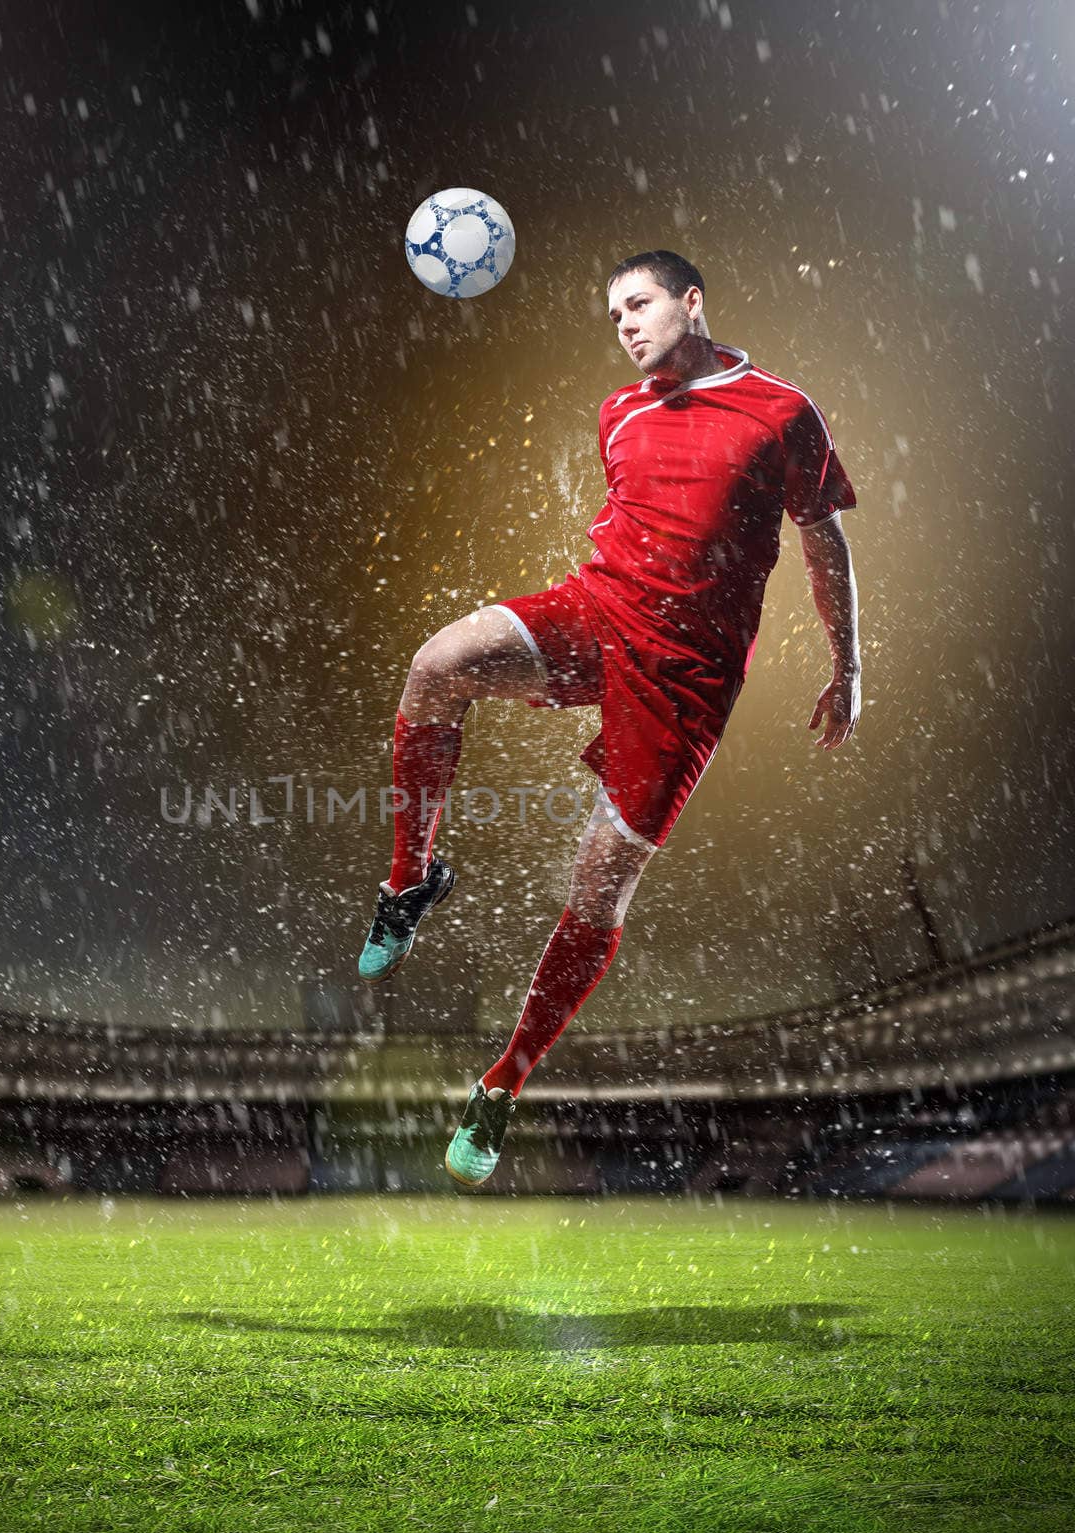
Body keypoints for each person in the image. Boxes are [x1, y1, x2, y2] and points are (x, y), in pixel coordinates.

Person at [356, 250, 861, 1187]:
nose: (626, 325)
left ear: (692, 302)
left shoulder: (783, 412)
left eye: (640, 304)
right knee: (437, 665)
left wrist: (848, 665)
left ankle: (503, 1082)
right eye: (613, 314)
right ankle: (409, 880)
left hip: (691, 678)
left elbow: (822, 538)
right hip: (600, 613)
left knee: (599, 881)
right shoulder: (618, 412)